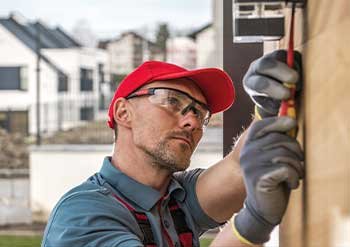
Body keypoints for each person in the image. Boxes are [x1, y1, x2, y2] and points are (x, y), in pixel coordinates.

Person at [41, 50, 303, 247]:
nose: (192, 121)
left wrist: (269, 108)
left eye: (200, 113)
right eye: (171, 100)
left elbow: (238, 167)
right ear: (124, 112)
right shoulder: (81, 216)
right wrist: (253, 223)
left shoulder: (174, 197)